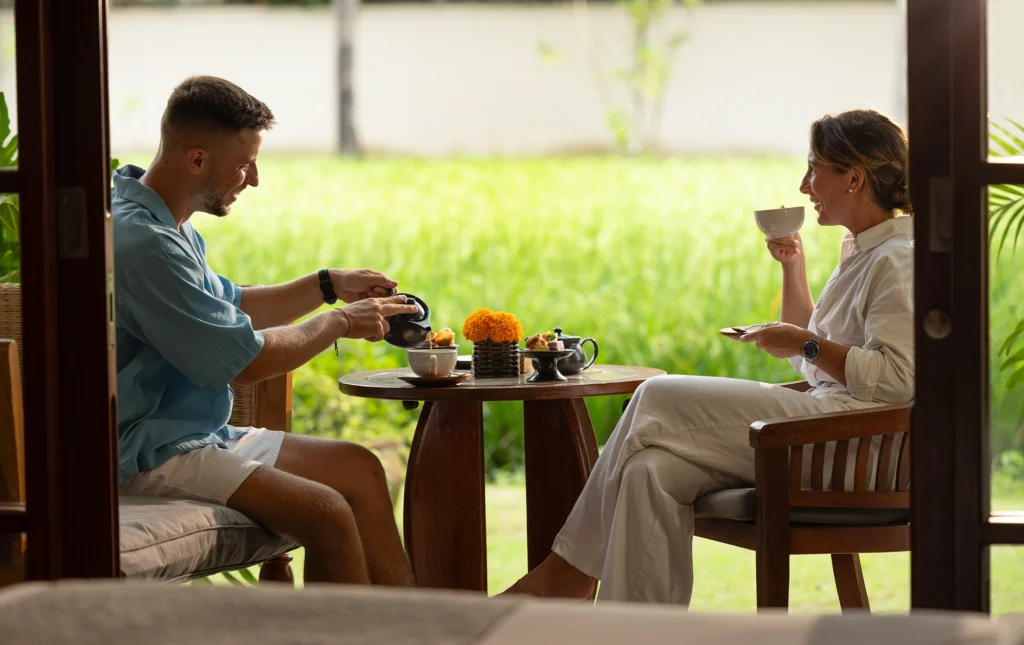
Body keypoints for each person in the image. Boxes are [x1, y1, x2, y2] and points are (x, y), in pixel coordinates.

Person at [502, 109, 915, 604]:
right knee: (649, 472)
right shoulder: (863, 251)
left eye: (814, 168)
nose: (804, 186)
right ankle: (633, 642)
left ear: (854, 178)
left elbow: (897, 379)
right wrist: (794, 271)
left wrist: (805, 343)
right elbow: (813, 353)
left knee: (656, 395)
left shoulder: (897, 259)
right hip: (822, 431)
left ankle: (564, 577)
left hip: (849, 450)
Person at [114, 75, 420, 587]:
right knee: (326, 512)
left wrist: (328, 285)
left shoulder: (162, 221)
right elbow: (247, 361)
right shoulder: (145, 245)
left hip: (191, 434)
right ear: (197, 160)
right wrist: (340, 321)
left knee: (360, 470)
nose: (253, 179)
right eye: (244, 164)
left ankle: (413, 629)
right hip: (147, 450)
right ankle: (349, 640)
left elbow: (232, 306)